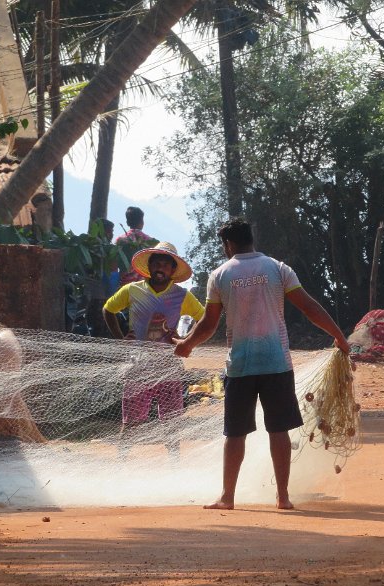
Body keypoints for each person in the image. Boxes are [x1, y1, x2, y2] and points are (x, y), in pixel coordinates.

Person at [173, 217, 350, 510]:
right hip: (277, 363)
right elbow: (309, 307)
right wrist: (339, 337)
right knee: (278, 430)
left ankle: (227, 497)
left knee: (235, 433)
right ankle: (283, 496)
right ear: (251, 239)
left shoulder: (220, 275)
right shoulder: (277, 269)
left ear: (228, 244)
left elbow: (209, 324)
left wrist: (187, 345)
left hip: (240, 366)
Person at [102, 241, 205, 427]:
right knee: (132, 424)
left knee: (172, 423)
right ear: (149, 266)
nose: (160, 268)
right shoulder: (133, 290)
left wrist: (186, 340)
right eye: (156, 263)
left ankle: (173, 448)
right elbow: (108, 310)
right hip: (138, 366)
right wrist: (120, 338)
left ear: (173, 270)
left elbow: (203, 317)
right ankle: (127, 448)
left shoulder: (182, 295)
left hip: (169, 367)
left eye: (165, 265)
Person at [114, 206, 157, 286]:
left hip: (124, 284)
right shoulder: (150, 242)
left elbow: (114, 264)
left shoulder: (120, 240)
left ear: (127, 222)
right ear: (142, 222)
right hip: (143, 285)